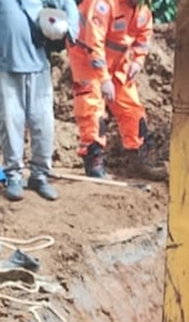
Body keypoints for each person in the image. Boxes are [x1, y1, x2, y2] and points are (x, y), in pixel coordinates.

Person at [66, 0, 166, 181]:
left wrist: (138, 60)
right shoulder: (103, 5)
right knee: (92, 105)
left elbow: (144, 35)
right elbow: (93, 43)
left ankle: (139, 158)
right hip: (85, 56)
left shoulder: (142, 9)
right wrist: (104, 79)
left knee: (131, 107)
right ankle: (93, 158)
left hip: (118, 60)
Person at [0, 0, 79, 201]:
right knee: (11, 123)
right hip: (6, 67)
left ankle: (40, 175)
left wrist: (71, 28)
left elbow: (68, 4)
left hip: (39, 67)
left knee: (43, 124)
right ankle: (13, 176)